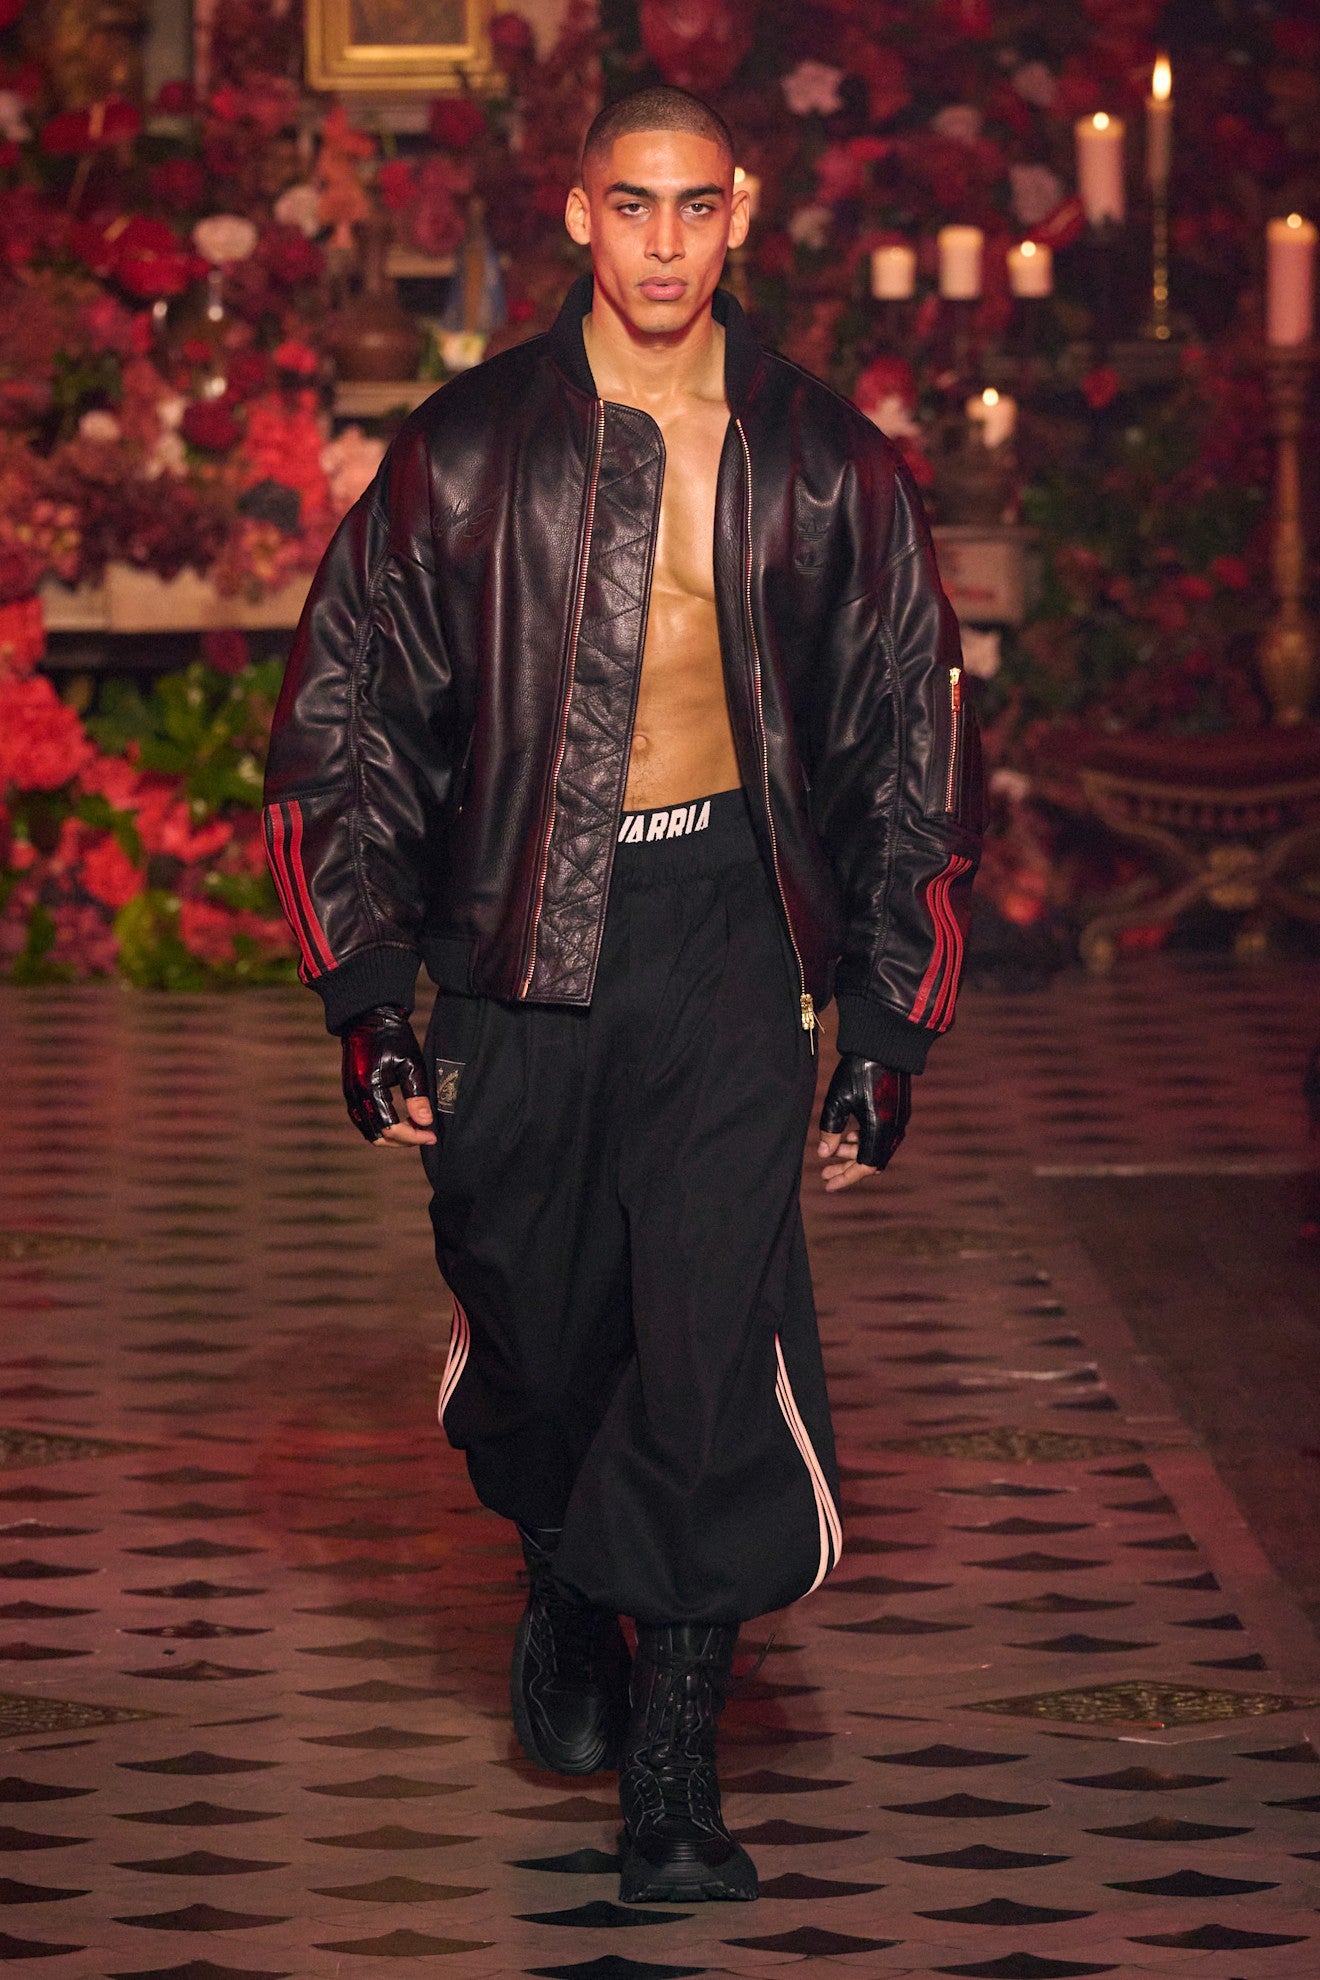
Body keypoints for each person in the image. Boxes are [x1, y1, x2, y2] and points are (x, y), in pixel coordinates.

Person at [263, 85, 982, 1906]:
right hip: (524, 941)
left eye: (698, 207)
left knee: (707, 1335)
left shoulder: (824, 460)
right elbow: (346, 723)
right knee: (538, 1312)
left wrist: (888, 1021)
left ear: (743, 212)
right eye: (635, 206)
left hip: (733, 930)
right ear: (580, 215)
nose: (668, 242)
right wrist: (368, 990)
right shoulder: (468, 449)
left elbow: (915, 742)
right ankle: (562, 1560)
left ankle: (672, 1781)